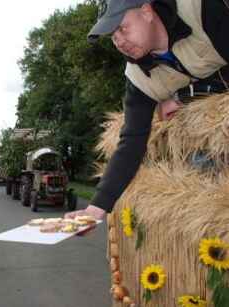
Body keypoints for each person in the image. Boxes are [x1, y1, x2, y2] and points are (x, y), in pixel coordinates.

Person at [66, 0, 229, 221]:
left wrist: (184, 96)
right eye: (113, 37)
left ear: (146, 11)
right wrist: (96, 209)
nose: (120, 42)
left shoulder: (201, 9)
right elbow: (131, 140)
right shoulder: (137, 78)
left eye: (122, 28)